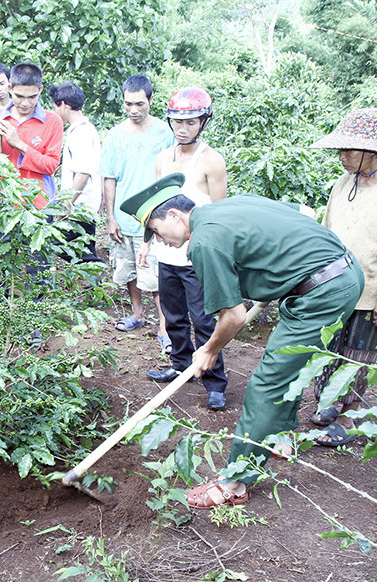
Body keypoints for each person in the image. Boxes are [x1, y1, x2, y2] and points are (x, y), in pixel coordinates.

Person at [126, 174, 363, 508]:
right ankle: (281, 436)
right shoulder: (233, 204)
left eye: (155, 229)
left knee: (267, 383)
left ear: (175, 216)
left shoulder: (204, 242)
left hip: (322, 292)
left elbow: (234, 317)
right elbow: (306, 213)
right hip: (343, 272)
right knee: (290, 365)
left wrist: (208, 349)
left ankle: (235, 482)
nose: (158, 240)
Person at [308, 108, 377, 446]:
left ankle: (348, 417)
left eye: (348, 149)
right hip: (335, 286)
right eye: (340, 149)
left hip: (370, 290)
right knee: (329, 348)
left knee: (358, 354)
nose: (341, 156)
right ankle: (328, 403)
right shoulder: (343, 183)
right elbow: (325, 232)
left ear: (372, 150)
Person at [143, 87, 229, 410]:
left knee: (205, 320)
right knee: (174, 316)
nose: (183, 128)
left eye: (190, 122)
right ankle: (180, 366)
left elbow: (220, 213)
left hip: (197, 257)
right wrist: (146, 244)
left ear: (203, 121)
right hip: (167, 254)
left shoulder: (211, 161)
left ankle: (215, 382)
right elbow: (154, 209)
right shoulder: (163, 158)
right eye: (177, 122)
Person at [99, 75, 176, 344]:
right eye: (128, 103)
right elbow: (108, 177)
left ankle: (165, 329)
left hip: (154, 219)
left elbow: (170, 179)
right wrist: (110, 217)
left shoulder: (164, 134)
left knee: (156, 276)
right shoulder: (114, 135)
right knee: (129, 271)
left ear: (151, 101)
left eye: (139, 103)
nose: (134, 110)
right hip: (122, 217)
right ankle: (138, 314)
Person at [0, 62, 63, 210]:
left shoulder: (53, 121)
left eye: (32, 97)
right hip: (5, 204)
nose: (25, 103)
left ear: (40, 90)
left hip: (40, 207)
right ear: (10, 88)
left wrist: (18, 144)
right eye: (19, 96)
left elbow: (50, 166)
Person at [47, 80, 104, 264]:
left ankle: (97, 274)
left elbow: (83, 173)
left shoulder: (81, 133)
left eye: (55, 106)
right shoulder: (82, 129)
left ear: (63, 105)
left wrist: (67, 204)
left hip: (81, 206)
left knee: (65, 246)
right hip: (82, 204)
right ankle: (93, 282)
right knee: (80, 249)